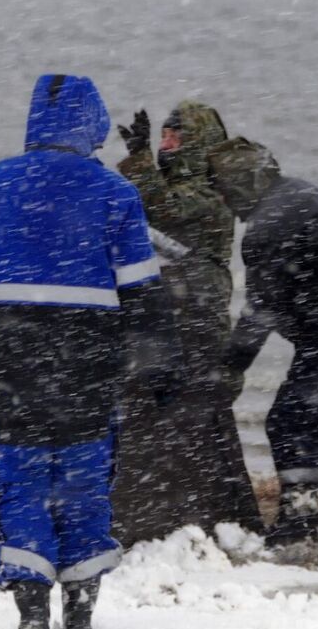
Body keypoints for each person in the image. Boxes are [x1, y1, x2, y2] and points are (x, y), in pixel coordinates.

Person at [0, 74, 181, 629]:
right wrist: (162, 364)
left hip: (8, 359)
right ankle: (83, 614)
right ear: (91, 124)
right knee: (85, 481)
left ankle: (32, 616)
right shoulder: (116, 194)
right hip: (87, 361)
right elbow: (143, 292)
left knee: (20, 482)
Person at [109, 101, 262, 541]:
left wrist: (137, 161)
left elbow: (163, 208)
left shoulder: (210, 192)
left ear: (196, 143)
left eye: (175, 137)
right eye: (163, 136)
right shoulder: (169, 182)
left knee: (202, 400)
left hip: (198, 309)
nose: (166, 144)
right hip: (168, 308)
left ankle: (202, 505)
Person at [222, 148, 318, 545]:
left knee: (286, 422)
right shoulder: (304, 192)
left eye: (225, 188)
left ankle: (300, 514)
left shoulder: (264, 228)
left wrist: (228, 368)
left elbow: (259, 312)